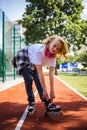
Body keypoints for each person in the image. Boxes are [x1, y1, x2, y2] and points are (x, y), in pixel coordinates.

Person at [12, 35, 68, 113]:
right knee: (28, 78)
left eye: (58, 49)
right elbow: (40, 73)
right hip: (23, 56)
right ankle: (31, 101)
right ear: (50, 43)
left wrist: (52, 91)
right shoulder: (39, 51)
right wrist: (45, 90)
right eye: (54, 46)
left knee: (38, 80)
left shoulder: (53, 57)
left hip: (32, 59)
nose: (55, 49)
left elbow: (51, 74)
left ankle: (48, 104)